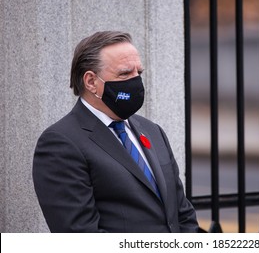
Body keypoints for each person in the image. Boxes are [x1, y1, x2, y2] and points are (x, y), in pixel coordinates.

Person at [32, 31, 199, 233]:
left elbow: (182, 214)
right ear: (91, 82)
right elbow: (80, 234)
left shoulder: (152, 131)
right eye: (124, 74)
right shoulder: (61, 143)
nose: (136, 82)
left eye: (139, 72)